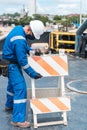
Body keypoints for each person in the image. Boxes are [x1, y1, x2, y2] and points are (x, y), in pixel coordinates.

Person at [2, 20, 45, 128]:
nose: (31, 37)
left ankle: (9, 105)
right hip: (13, 65)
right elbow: (23, 62)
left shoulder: (18, 29)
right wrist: (33, 74)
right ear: (29, 30)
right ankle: (18, 120)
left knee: (12, 86)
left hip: (7, 62)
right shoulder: (20, 39)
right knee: (20, 88)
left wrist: (31, 50)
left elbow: (21, 46)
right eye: (32, 35)